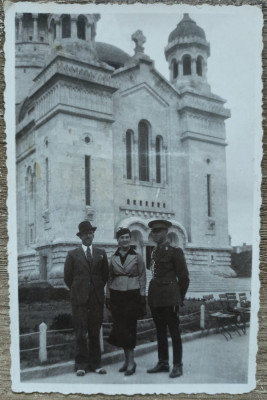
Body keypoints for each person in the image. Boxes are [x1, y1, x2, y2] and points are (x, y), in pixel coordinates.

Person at [64, 220, 109, 376]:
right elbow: (67, 278)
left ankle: (96, 364)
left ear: (93, 234)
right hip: (79, 300)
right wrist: (79, 290)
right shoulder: (72, 254)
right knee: (81, 332)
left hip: (96, 299)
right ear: (80, 236)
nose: (88, 236)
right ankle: (81, 365)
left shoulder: (101, 253)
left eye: (90, 233)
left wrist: (95, 289)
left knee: (95, 332)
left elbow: (105, 276)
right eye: (85, 234)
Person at [146, 220, 189, 378]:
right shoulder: (154, 252)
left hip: (170, 299)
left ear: (165, 232)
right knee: (160, 332)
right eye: (153, 232)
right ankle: (163, 362)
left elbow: (184, 278)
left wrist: (178, 298)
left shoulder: (175, 252)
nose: (154, 234)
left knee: (174, 332)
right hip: (156, 298)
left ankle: (178, 365)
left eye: (158, 231)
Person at [106, 228, 146, 376]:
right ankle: (127, 361)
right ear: (118, 240)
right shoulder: (113, 257)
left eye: (127, 237)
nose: (124, 240)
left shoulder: (137, 256)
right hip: (117, 295)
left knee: (130, 328)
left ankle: (131, 362)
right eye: (122, 237)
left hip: (132, 294)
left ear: (130, 239)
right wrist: (108, 296)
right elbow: (109, 278)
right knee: (120, 328)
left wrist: (142, 296)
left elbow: (142, 276)